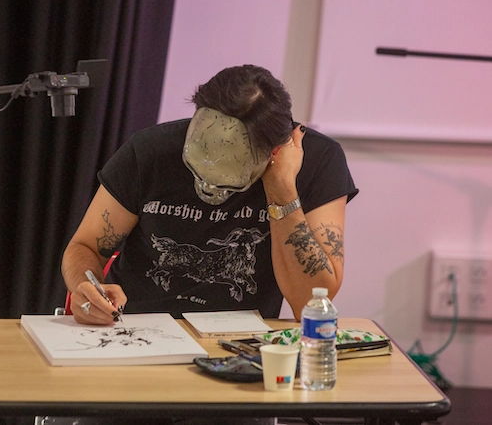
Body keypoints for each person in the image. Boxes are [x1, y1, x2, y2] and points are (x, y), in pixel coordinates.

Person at [62, 64, 358, 326]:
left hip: (241, 340)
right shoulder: (151, 150)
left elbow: (309, 302)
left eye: (227, 182)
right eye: (196, 167)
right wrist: (86, 288)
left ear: (275, 153)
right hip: (137, 324)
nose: (205, 187)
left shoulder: (317, 161)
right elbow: (85, 246)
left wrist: (282, 190)